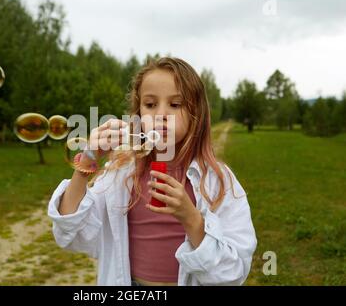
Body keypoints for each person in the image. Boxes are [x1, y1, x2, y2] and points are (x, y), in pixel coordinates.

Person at [48, 57, 257, 286]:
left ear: (197, 114)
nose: (161, 114)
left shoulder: (219, 181)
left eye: (175, 105)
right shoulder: (120, 173)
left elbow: (234, 272)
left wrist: (191, 219)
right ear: (138, 113)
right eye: (150, 104)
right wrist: (86, 164)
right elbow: (69, 235)